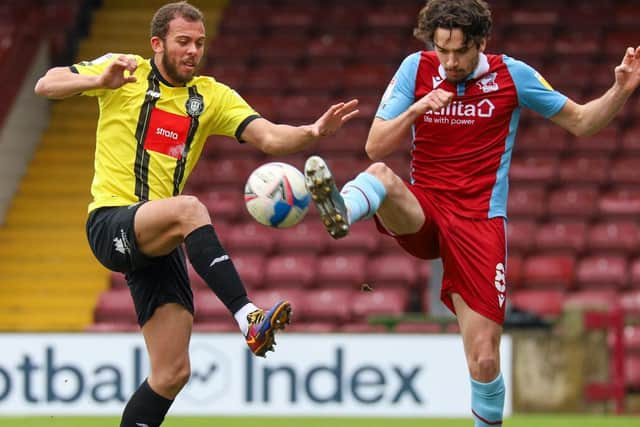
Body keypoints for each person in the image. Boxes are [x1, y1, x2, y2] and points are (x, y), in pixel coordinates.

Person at [303, 0, 640, 425]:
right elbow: (375, 143)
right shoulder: (416, 68)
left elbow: (582, 122)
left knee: (483, 360)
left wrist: (621, 90)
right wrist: (419, 107)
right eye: (441, 49)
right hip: (424, 209)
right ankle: (341, 210)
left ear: (480, 42)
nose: (449, 61)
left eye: (458, 51)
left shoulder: (512, 75)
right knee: (379, 173)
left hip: (479, 223)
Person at [34, 2, 358, 426]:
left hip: (159, 239)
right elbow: (46, 84)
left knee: (172, 373)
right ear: (157, 44)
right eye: (183, 42)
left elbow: (269, 137)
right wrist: (97, 79)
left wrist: (312, 132)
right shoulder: (123, 70)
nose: (192, 51)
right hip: (112, 221)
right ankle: (248, 317)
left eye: (199, 43)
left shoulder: (210, 96)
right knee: (190, 209)